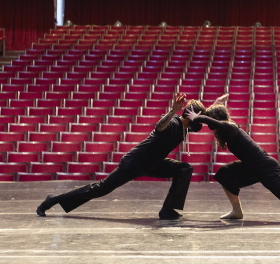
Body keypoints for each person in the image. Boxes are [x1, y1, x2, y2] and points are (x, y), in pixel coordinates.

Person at [36, 92, 206, 220]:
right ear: (190, 117)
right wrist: (173, 110)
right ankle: (53, 199)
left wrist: (215, 107)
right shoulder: (173, 122)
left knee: (184, 169)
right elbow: (159, 127)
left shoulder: (185, 128)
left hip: (153, 164)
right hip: (135, 162)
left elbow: (202, 119)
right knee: (100, 189)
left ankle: (168, 210)